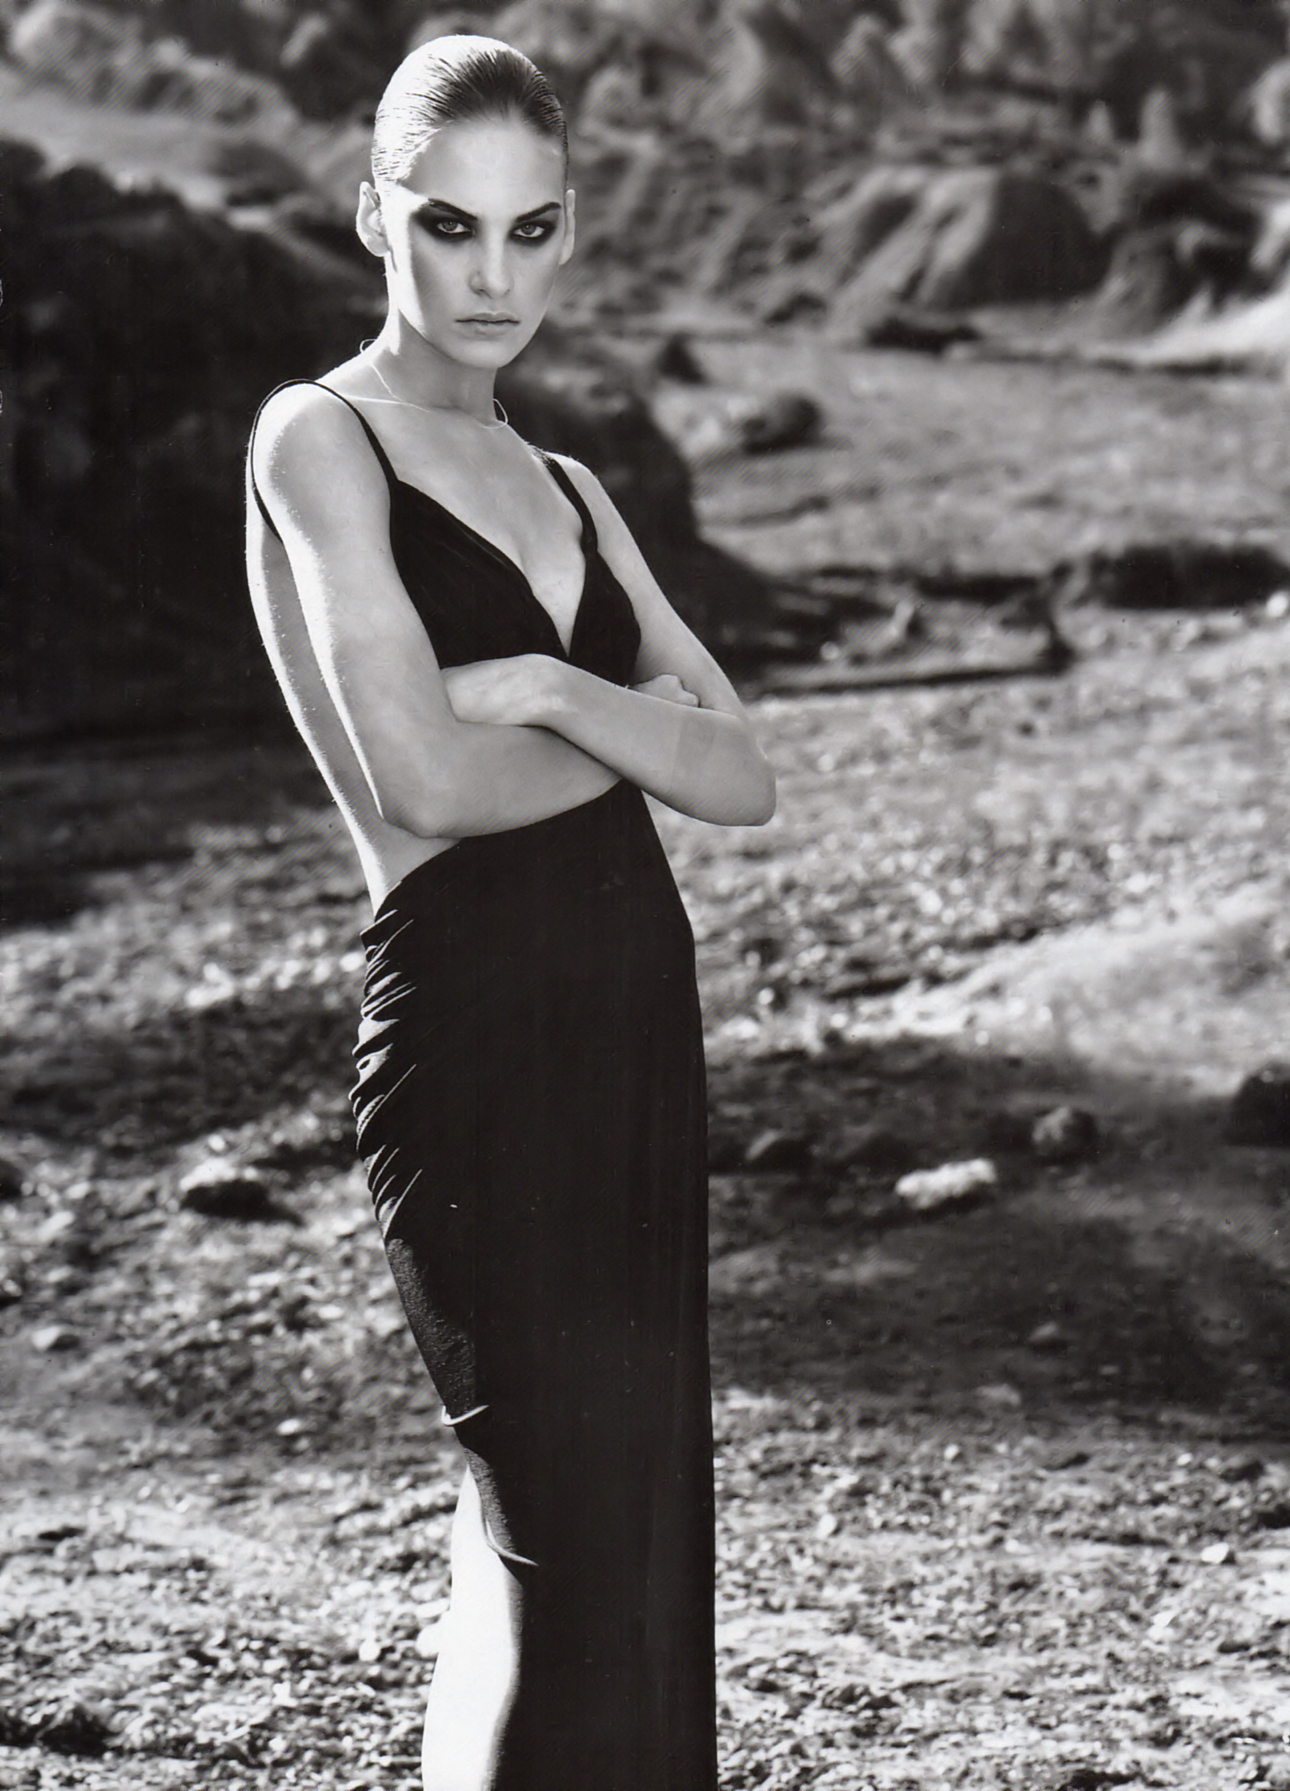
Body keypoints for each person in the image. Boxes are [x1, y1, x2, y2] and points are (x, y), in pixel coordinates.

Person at [244, 33, 775, 1791]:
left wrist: (546, 689)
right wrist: (635, 735)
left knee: (607, 1549)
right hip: (474, 1036)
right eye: (449, 226)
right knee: (563, 1550)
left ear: (568, 232)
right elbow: (423, 783)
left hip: (632, 1019)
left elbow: (745, 777)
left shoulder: (573, 489)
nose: (494, 277)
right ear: (373, 219)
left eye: (531, 230)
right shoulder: (317, 438)